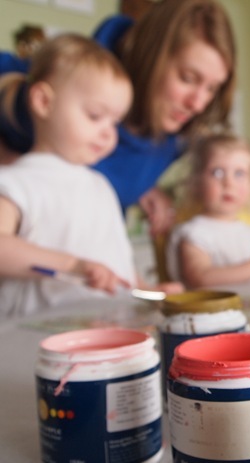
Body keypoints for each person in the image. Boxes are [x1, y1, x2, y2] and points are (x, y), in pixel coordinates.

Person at [0, 0, 237, 234]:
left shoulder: (178, 135)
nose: (197, 104)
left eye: (212, 88)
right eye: (187, 78)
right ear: (151, 55)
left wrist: (143, 187)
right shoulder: (69, 86)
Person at [0, 34, 181, 318]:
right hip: (35, 345)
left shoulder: (100, 186)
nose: (109, 133)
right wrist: (72, 265)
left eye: (115, 122)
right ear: (44, 102)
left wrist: (150, 291)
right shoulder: (16, 182)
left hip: (103, 338)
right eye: (96, 116)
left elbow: (116, 265)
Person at [166, 134, 250, 288]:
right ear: (196, 182)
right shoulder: (194, 233)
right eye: (217, 172)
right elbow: (200, 278)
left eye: (239, 174)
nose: (229, 183)